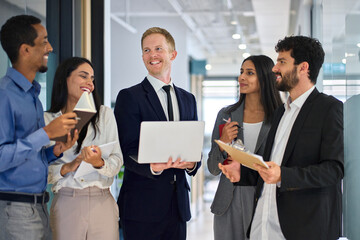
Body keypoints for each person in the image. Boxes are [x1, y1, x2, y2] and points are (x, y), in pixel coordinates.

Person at [221, 36, 344, 240]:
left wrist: (283, 176)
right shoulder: (280, 112)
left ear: (303, 68)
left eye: (282, 62)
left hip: (301, 229)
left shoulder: (329, 108)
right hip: (263, 225)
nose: (274, 68)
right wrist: (240, 172)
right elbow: (270, 166)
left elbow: (334, 170)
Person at [114, 27, 201, 240]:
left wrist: (191, 164)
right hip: (141, 208)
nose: (152, 55)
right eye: (146, 50)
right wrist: (152, 167)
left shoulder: (188, 98)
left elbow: (193, 145)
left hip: (178, 207)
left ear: (173, 54)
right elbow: (125, 150)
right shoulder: (129, 97)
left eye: (158, 49)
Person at [0, 15, 79, 240]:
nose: (50, 47)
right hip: (15, 211)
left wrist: (53, 151)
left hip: (39, 207)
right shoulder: (4, 95)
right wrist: (45, 133)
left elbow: (27, 156)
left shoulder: (33, 95)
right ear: (25, 50)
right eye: (44, 41)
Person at [44, 57, 123, 240]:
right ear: (65, 78)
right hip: (66, 202)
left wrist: (99, 163)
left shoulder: (104, 115)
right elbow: (42, 171)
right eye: (83, 76)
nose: (90, 83)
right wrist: (69, 166)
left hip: (102, 202)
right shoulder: (48, 120)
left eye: (92, 79)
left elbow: (117, 162)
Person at [208, 55, 282, 240]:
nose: (242, 77)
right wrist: (223, 142)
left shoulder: (280, 117)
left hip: (265, 197)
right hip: (228, 201)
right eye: (241, 72)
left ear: (265, 78)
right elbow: (212, 168)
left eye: (249, 73)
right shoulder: (226, 115)